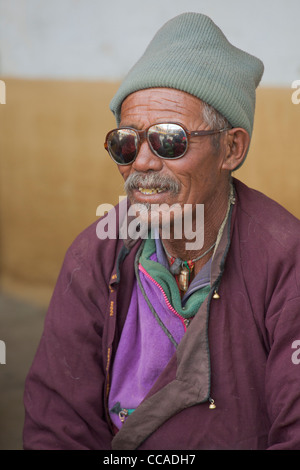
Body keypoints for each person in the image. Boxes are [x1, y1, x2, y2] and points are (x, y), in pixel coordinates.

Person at [23, 12, 300, 450]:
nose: (143, 163)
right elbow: (57, 426)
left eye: (169, 141)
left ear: (232, 148)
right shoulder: (95, 253)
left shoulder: (285, 259)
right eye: (126, 143)